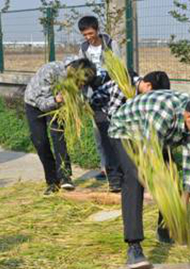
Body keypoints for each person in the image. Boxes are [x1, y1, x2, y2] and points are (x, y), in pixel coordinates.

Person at [109, 90, 190, 269]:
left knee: (173, 176)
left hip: (157, 139)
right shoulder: (162, 112)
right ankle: (134, 248)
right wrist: (152, 184)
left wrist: (184, 197)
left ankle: (165, 230)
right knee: (134, 178)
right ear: (189, 117)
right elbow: (150, 153)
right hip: (126, 132)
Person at [24, 56, 96, 196]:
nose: (79, 86)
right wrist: (57, 99)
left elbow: (83, 95)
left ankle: (65, 177)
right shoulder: (50, 71)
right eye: (78, 83)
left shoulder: (82, 73)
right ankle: (52, 181)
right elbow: (42, 103)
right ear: (72, 72)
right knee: (40, 142)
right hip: (35, 103)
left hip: (59, 106)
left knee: (59, 137)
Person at [91, 70, 171, 192]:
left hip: (121, 113)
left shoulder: (142, 91)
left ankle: (133, 172)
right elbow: (113, 114)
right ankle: (115, 179)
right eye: (153, 94)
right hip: (102, 109)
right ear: (148, 85)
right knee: (111, 139)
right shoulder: (124, 86)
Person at [77, 15, 121, 181]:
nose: (88, 37)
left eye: (90, 33)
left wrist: (108, 78)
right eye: (85, 35)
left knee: (114, 130)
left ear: (97, 30)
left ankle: (119, 165)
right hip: (93, 95)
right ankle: (105, 168)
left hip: (112, 94)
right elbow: (80, 69)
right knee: (98, 133)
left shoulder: (110, 45)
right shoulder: (83, 48)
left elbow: (119, 68)